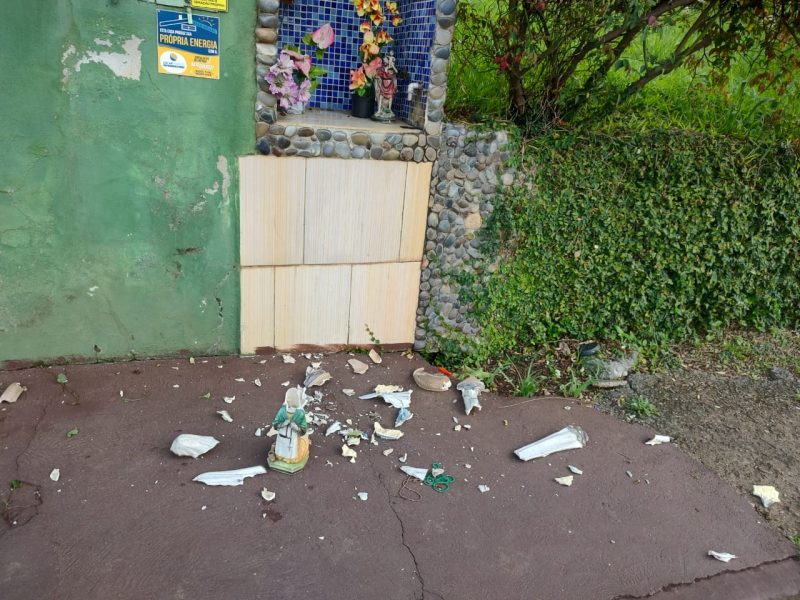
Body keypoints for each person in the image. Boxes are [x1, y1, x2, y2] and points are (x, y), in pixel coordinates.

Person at [267, 386, 310, 473]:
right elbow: (275, 424)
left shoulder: (300, 413)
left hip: (293, 436)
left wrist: (296, 428)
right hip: (282, 435)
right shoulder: (282, 411)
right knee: (281, 447)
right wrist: (283, 424)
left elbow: (303, 428)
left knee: (292, 451)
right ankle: (278, 456)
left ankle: (291, 459)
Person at [374, 50, 398, 122]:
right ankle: (379, 110)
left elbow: (395, 73)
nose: (384, 62)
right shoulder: (382, 69)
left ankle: (389, 109)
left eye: (385, 61)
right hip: (383, 84)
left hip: (389, 84)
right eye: (383, 61)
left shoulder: (391, 69)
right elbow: (378, 74)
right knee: (381, 96)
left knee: (390, 97)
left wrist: (392, 64)